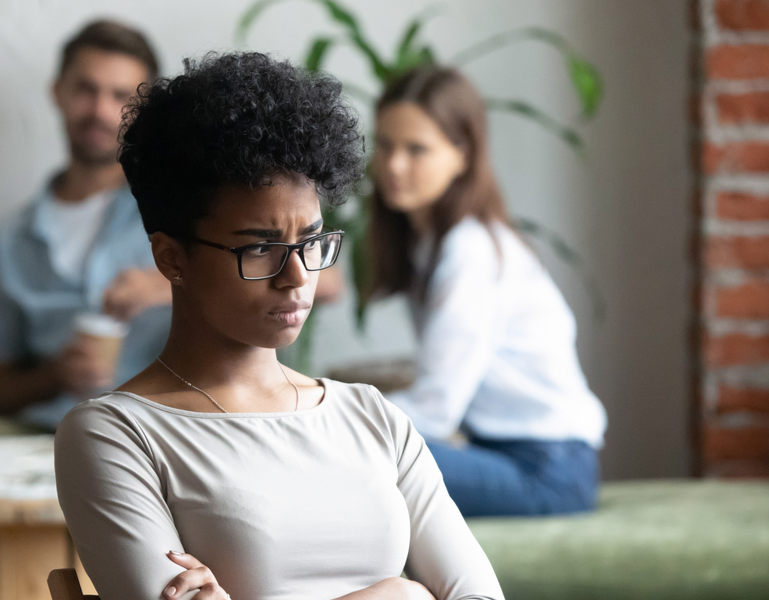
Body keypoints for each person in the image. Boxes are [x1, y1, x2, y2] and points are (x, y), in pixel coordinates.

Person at [56, 52, 503, 600]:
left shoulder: (372, 418)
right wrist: (399, 595)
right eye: (261, 248)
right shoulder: (116, 435)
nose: (297, 276)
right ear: (172, 258)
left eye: (312, 242)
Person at [0, 19, 172, 436]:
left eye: (120, 96)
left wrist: (168, 284)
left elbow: (301, 278)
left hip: (154, 432)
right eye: (86, 89)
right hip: (49, 438)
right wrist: (53, 375)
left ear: (143, 111)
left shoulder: (178, 209)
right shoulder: (9, 240)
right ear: (58, 92)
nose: (100, 110)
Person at [368, 66, 608, 517]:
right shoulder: (428, 246)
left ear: (462, 154)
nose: (394, 165)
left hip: (549, 470)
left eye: (416, 149)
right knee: (357, 456)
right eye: (385, 145)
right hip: (506, 454)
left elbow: (436, 410)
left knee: (359, 458)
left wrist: (330, 412)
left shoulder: (470, 251)